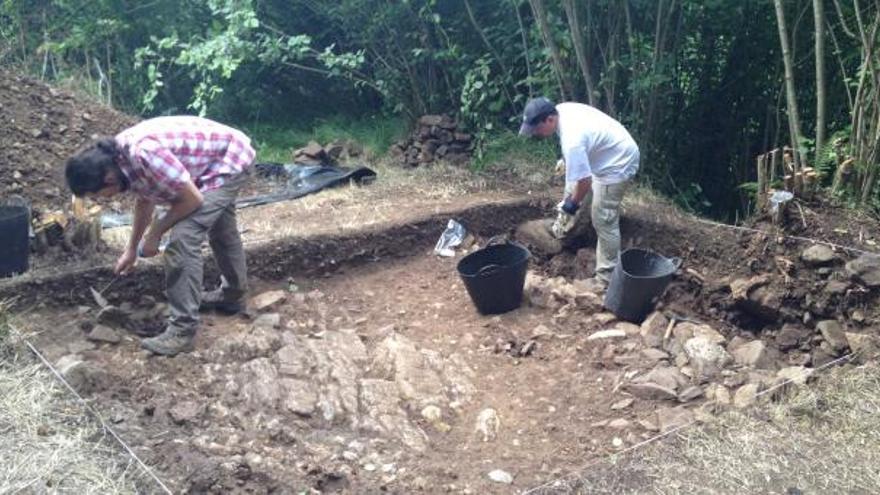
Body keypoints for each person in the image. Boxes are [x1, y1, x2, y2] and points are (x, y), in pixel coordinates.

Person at [65, 116, 255, 356]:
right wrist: (132, 249)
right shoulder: (118, 160)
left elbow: (192, 200)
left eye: (100, 194)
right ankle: (233, 296)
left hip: (229, 160)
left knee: (183, 238)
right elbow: (145, 200)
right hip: (208, 164)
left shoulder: (144, 153)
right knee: (222, 228)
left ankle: (182, 330)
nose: (103, 199)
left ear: (108, 179)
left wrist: (155, 233)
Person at [519, 97, 639, 288]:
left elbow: (584, 182)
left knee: (603, 218)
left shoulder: (572, 140)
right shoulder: (561, 110)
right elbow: (584, 146)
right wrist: (567, 162)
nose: (535, 134)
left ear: (549, 120)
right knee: (573, 189)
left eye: (536, 129)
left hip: (617, 163)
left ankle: (605, 280)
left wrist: (571, 205)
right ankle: (565, 233)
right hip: (603, 153)